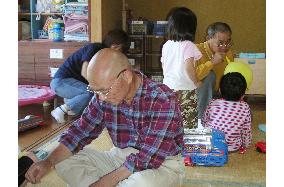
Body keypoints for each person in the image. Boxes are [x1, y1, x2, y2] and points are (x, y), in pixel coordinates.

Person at [25, 48, 184, 187]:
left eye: (104, 91)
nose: (100, 98)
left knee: (143, 183)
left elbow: (149, 157)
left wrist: (104, 182)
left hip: (162, 164)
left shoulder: (162, 100)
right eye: (95, 91)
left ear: (127, 76)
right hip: (119, 157)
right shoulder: (103, 97)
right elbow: (79, 132)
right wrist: (48, 162)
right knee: (60, 158)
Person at [50, 29, 130, 123]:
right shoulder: (95, 48)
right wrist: (99, 90)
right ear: (114, 45)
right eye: (120, 49)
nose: (119, 53)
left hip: (73, 86)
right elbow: (85, 71)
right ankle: (61, 110)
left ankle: (71, 107)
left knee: (95, 95)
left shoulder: (106, 56)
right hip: (61, 82)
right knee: (91, 93)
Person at [161, 7, 202, 130]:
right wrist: (196, 81)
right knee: (188, 120)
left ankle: (172, 142)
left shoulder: (167, 45)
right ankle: (186, 144)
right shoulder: (188, 45)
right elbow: (188, 66)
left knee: (172, 118)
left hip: (168, 88)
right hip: (186, 89)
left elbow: (164, 65)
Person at [202, 72, 252, 152]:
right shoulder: (245, 107)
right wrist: (246, 144)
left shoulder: (213, 103)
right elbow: (246, 130)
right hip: (233, 147)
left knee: (207, 123)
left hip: (211, 144)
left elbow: (204, 121)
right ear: (243, 95)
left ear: (220, 91)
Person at [196, 22, 234, 119]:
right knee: (209, 76)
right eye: (220, 43)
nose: (225, 46)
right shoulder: (196, 50)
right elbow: (194, 76)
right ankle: (201, 121)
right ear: (208, 39)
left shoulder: (228, 53)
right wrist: (212, 62)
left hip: (218, 94)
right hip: (198, 96)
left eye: (228, 42)